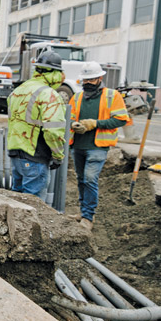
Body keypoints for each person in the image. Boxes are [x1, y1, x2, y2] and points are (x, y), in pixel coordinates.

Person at [68, 61, 130, 232]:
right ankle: (83, 212)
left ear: (100, 78)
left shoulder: (112, 96)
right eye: (85, 80)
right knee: (81, 180)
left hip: (97, 146)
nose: (88, 83)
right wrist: (73, 124)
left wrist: (95, 124)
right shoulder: (78, 97)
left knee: (89, 179)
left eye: (92, 79)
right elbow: (70, 116)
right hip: (78, 145)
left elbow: (121, 119)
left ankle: (88, 216)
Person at [5, 51, 67, 201]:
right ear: (53, 73)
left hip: (16, 154)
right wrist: (58, 155)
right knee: (33, 206)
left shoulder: (18, 90)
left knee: (17, 201)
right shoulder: (49, 95)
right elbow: (53, 130)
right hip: (36, 156)